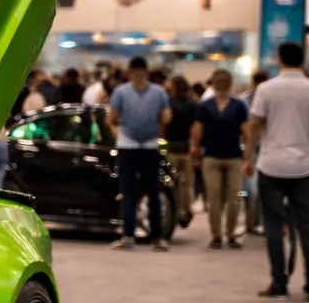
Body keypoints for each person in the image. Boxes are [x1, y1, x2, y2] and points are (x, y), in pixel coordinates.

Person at [245, 41, 309, 297]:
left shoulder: (266, 89)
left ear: (280, 59)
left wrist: (248, 157)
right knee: (306, 226)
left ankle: (278, 281)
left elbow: (255, 126)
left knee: (272, 226)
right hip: (304, 167)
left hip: (271, 166)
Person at [107, 56, 172, 250]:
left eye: (140, 72)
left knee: (153, 192)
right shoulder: (121, 92)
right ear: (130, 72)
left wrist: (160, 128)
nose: (138, 75)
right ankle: (128, 235)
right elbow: (112, 118)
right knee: (129, 193)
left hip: (150, 145)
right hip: (127, 146)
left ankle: (157, 236)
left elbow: (166, 116)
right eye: (135, 72)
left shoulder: (158, 92)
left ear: (146, 72)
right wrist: (118, 135)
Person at [193, 69, 250, 249]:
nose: (222, 85)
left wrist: (247, 156)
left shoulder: (238, 106)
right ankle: (217, 235)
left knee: (234, 198)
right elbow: (198, 130)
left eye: (225, 82)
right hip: (212, 156)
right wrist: (196, 151)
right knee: (214, 197)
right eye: (219, 82)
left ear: (230, 84)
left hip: (233, 156)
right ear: (214, 84)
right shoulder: (206, 106)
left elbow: (246, 132)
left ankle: (230, 233)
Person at [164, 73, 197, 229]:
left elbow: (163, 125)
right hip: (186, 149)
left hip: (171, 148)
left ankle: (176, 211)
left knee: (173, 183)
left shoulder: (168, 104)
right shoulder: (192, 105)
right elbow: (195, 128)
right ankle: (187, 209)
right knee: (187, 184)